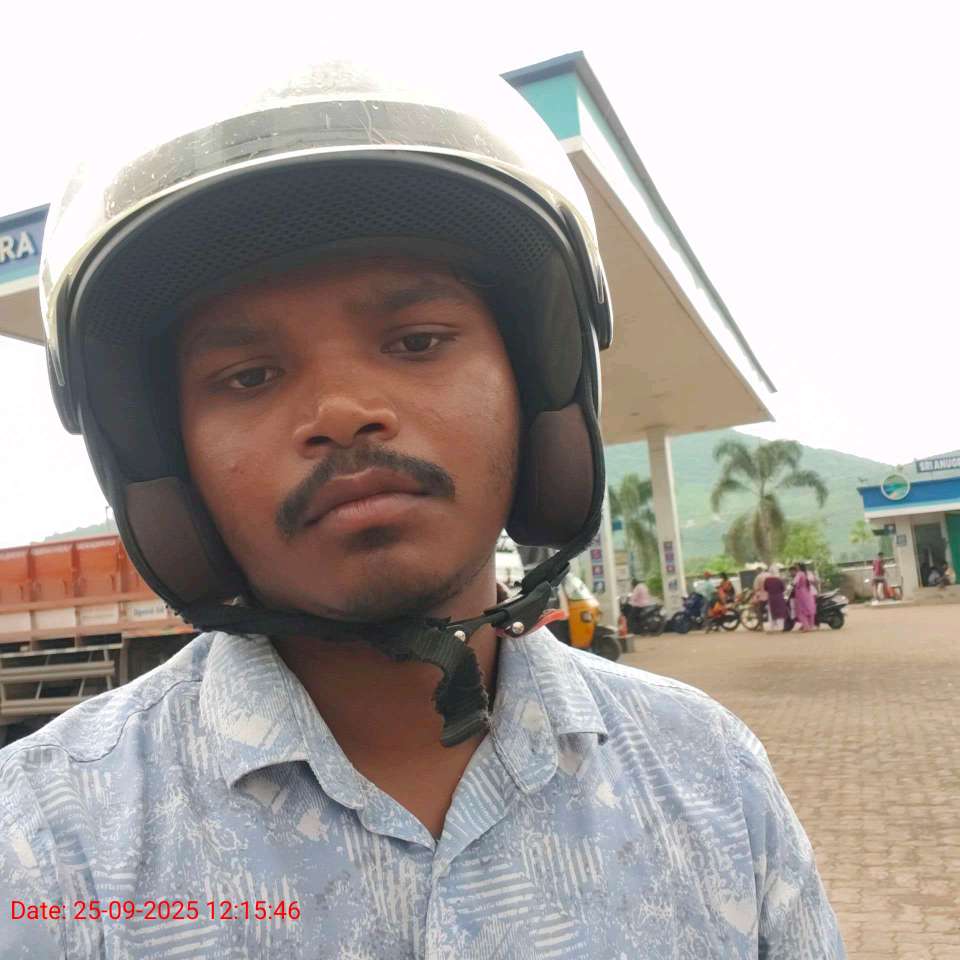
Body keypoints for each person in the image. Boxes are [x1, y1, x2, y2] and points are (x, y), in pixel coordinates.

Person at [0, 58, 845, 958]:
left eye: (416, 341)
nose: (342, 412)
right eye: (248, 376)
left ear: (537, 387)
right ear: (162, 458)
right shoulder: (44, 843)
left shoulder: (709, 774)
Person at [793, 563, 817, 632]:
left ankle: (806, 627)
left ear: (799, 567)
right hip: (807, 592)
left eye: (796, 566)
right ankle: (810, 626)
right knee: (809, 609)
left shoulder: (799, 574)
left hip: (800, 593)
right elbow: (813, 580)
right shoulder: (806, 573)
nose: (796, 568)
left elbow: (795, 582)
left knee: (801, 610)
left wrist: (793, 585)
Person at [765, 564, 788, 632]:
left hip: (771, 597)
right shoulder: (779, 579)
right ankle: (780, 627)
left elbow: (765, 588)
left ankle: (772, 627)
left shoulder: (767, 580)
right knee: (780, 612)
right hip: (779, 597)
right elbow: (783, 588)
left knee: (772, 612)